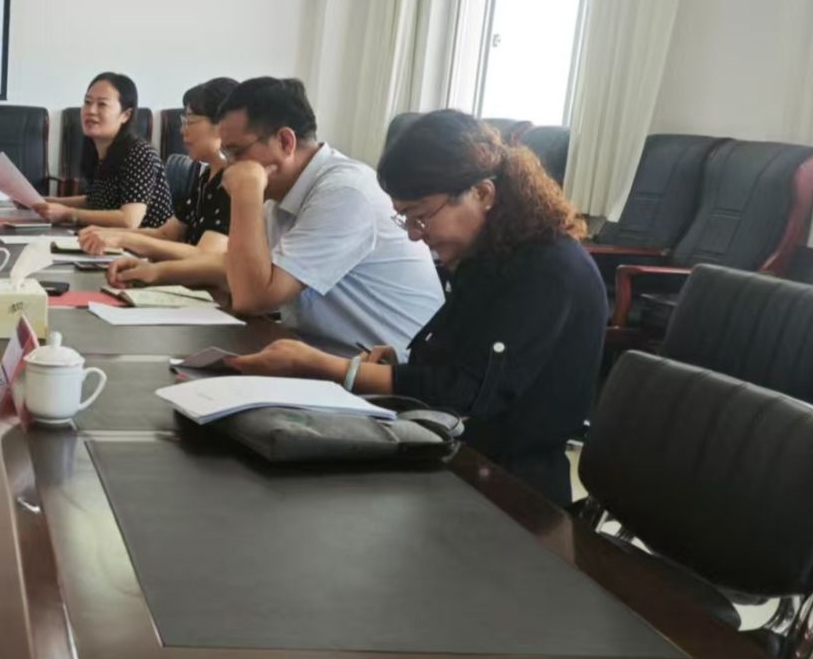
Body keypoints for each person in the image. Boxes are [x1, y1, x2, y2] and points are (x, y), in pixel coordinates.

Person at [227, 111, 604, 506]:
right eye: (405, 218)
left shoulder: (546, 271)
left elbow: (465, 393)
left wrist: (327, 366)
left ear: (483, 194)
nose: (412, 235)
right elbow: (460, 362)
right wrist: (394, 365)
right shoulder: (491, 254)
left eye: (421, 217)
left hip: (506, 489)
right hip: (451, 453)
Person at [109, 77, 443, 352]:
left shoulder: (344, 193)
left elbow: (252, 298)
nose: (229, 165)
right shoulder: (285, 191)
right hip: (320, 358)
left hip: (385, 384)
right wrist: (156, 273)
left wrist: (246, 196)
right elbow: (237, 267)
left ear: (285, 141)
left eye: (236, 152)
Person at [80, 77, 237, 258]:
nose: (182, 130)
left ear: (222, 125)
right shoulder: (207, 177)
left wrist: (123, 239)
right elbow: (166, 234)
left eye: (190, 121)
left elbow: (204, 255)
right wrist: (107, 233)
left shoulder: (233, 183)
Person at [36, 73, 170, 230]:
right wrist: (42, 202)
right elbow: (95, 201)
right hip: (108, 239)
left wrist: (68, 214)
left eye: (102, 104)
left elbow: (129, 220)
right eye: (87, 102)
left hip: (143, 243)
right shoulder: (97, 150)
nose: (91, 110)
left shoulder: (140, 153)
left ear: (126, 115)